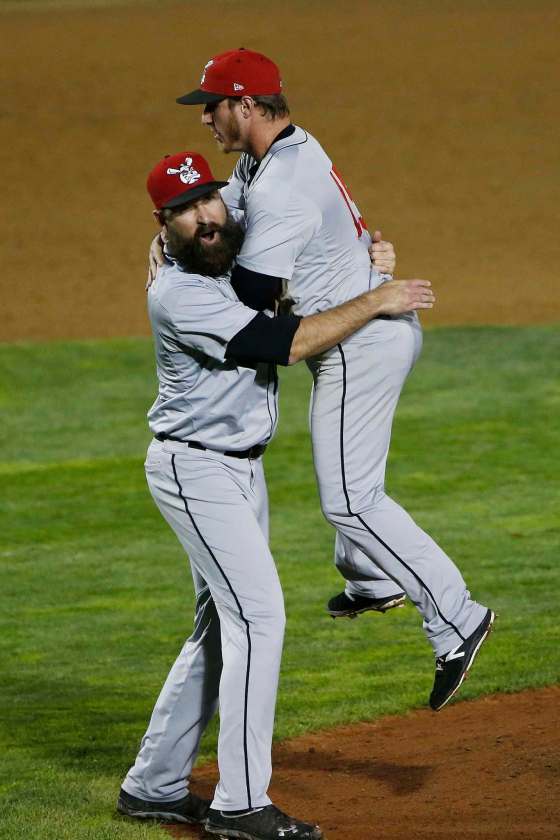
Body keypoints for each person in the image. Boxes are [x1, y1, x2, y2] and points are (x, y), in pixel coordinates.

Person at [118, 151, 434, 839]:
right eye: (184, 210)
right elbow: (282, 343)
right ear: (162, 223)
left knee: (217, 630)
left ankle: (153, 785)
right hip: (195, 472)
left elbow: (298, 281)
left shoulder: (228, 266)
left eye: (209, 200)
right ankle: (240, 804)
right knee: (259, 620)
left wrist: (366, 266)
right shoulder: (182, 294)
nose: (205, 216)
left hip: (235, 473)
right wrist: (377, 298)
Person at [170, 48, 495, 713]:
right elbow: (230, 213)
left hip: (361, 344)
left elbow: (255, 297)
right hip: (365, 325)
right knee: (350, 481)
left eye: (213, 105)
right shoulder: (270, 156)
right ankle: (372, 580)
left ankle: (457, 617)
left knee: (350, 498)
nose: (205, 117)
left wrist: (183, 270)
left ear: (248, 106)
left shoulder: (283, 186)